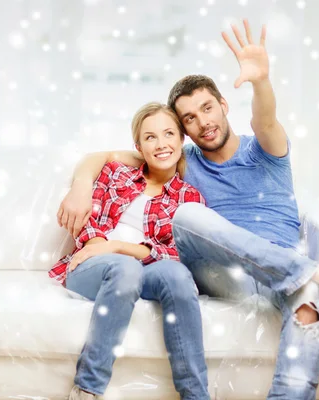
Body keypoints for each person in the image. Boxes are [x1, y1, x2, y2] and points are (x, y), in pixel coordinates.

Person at [58, 20, 319, 400]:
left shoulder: (265, 150)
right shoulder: (182, 159)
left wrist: (261, 81)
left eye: (207, 108)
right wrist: (81, 185)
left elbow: (265, 119)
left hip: (280, 266)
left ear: (224, 105)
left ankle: (309, 280)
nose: (203, 122)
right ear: (184, 131)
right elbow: (113, 156)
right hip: (226, 273)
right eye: (190, 119)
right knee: (187, 216)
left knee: (308, 301)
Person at [50, 102, 210, 400]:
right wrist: (103, 246)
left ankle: (196, 395)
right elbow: (87, 223)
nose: (161, 144)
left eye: (168, 134)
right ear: (138, 146)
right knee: (125, 269)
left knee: (176, 274)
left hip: (145, 269)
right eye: (150, 137)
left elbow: (176, 253)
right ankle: (87, 389)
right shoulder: (116, 175)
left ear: (181, 140)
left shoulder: (190, 198)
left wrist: (121, 246)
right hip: (94, 264)